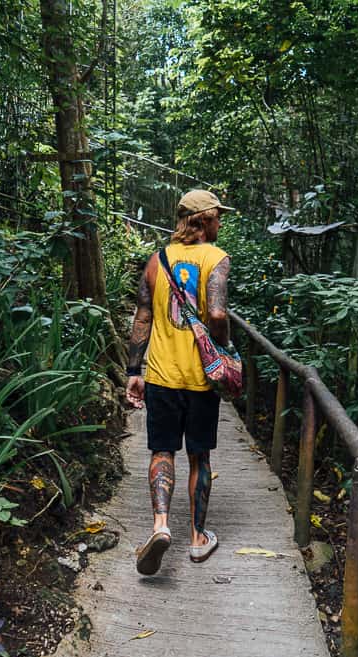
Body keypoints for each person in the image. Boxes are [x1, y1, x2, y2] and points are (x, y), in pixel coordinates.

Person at [125, 189, 233, 576]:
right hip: (200, 380)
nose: (220, 222)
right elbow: (218, 314)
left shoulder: (158, 260)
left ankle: (160, 526)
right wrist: (223, 350)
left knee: (161, 451)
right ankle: (198, 538)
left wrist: (133, 372)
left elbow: (142, 317)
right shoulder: (216, 259)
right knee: (199, 455)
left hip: (161, 375)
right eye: (217, 216)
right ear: (203, 221)